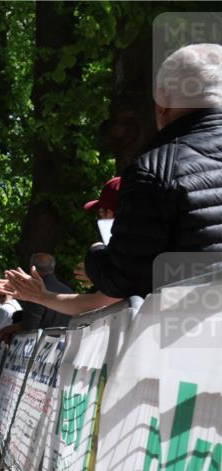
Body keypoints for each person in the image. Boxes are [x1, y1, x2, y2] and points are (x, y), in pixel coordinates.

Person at [85, 43, 222, 299]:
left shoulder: (154, 170)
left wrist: (96, 255)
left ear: (162, 101)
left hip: (191, 322)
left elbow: (126, 280)